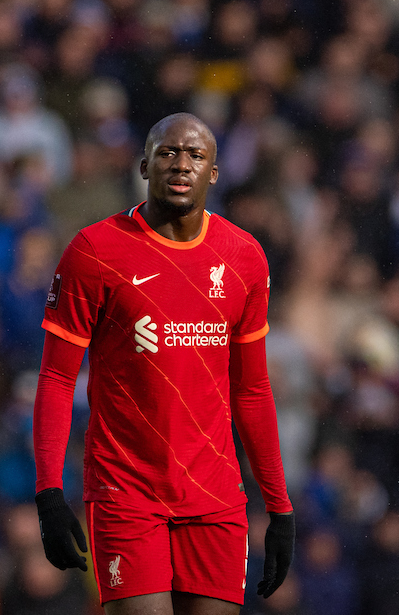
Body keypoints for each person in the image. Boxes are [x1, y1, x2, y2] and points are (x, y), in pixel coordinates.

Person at [32, 113, 295, 614]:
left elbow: (253, 390)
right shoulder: (96, 251)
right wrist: (49, 492)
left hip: (215, 496)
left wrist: (279, 507)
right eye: (168, 153)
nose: (181, 164)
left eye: (196, 155)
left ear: (214, 172)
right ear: (144, 167)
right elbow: (57, 376)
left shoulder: (244, 258)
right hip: (125, 491)